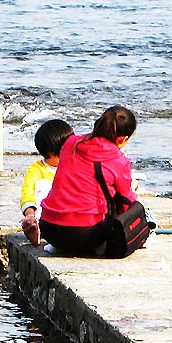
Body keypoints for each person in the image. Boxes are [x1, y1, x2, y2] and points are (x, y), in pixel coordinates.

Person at [38, 105, 139, 256]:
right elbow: (126, 202)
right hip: (87, 233)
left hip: (50, 229)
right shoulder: (119, 160)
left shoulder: (70, 143)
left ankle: (63, 246)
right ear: (122, 139)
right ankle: (95, 246)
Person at [19, 119, 74, 246]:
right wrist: (30, 215)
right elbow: (28, 193)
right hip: (44, 217)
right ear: (50, 152)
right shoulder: (37, 170)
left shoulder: (74, 165)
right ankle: (33, 228)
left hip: (68, 213)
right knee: (44, 185)